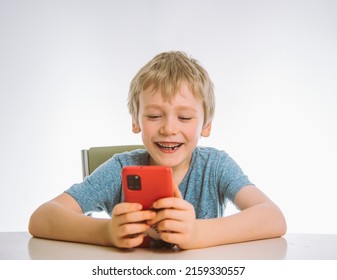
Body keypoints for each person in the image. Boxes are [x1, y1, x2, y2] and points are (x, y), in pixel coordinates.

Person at [29, 51, 286, 249]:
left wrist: (197, 233)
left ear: (206, 126)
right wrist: (106, 232)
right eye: (153, 116)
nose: (169, 128)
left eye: (184, 118)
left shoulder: (215, 166)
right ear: (135, 121)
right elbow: (42, 218)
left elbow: (273, 218)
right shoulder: (120, 169)